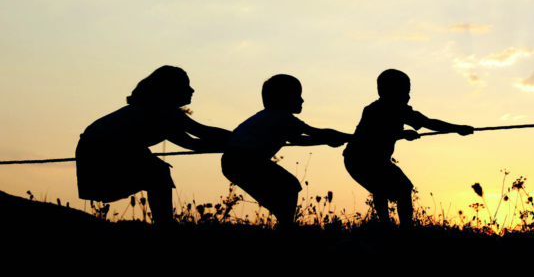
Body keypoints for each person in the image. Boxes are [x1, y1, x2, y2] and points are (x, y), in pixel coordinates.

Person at [76, 66, 230, 225]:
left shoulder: (154, 111)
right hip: (102, 154)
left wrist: (234, 141)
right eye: (185, 85)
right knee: (158, 172)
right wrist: (239, 141)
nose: (192, 90)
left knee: (156, 172)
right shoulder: (162, 113)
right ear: (170, 89)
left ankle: (164, 225)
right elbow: (198, 137)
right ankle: (165, 226)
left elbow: (198, 137)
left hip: (96, 152)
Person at [344, 69, 473, 228]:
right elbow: (377, 133)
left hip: (373, 160)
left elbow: (424, 124)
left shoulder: (395, 110)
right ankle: (390, 227)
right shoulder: (378, 110)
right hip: (360, 159)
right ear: (388, 91)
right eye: (404, 91)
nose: (408, 96)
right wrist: (457, 128)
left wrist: (457, 129)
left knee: (402, 187)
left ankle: (403, 227)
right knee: (381, 187)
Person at [221, 74, 350, 230]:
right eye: (298, 96)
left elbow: (298, 140)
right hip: (245, 160)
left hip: (235, 161)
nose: (302, 100)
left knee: (283, 191)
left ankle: (285, 224)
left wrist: (327, 140)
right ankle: (287, 226)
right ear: (284, 99)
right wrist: (353, 137)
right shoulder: (281, 116)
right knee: (289, 186)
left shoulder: (272, 117)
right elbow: (316, 132)